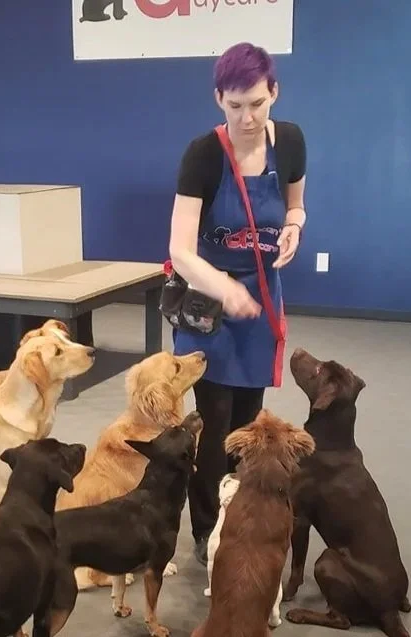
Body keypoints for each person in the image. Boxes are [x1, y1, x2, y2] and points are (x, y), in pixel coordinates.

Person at [167, 42, 307, 564]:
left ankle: (239, 513)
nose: (247, 118)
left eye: (257, 103)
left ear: (275, 92)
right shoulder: (203, 155)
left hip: (261, 303)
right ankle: (207, 531)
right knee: (213, 424)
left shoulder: (290, 142)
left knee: (249, 423)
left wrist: (293, 227)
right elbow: (180, 251)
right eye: (235, 106)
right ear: (218, 100)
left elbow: (296, 204)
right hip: (208, 304)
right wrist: (225, 289)